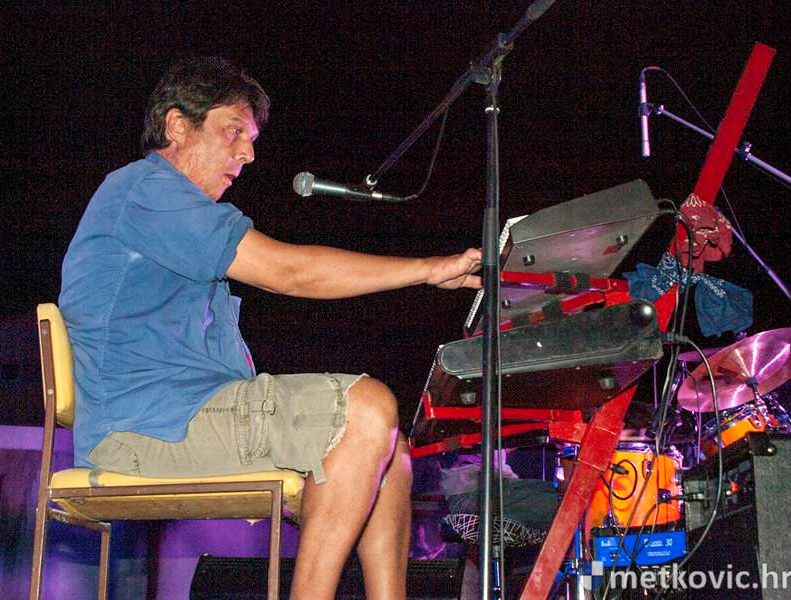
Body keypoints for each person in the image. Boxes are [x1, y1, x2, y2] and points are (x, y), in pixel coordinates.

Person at [59, 55, 481, 600]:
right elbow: (290, 272)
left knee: (390, 453)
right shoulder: (145, 191)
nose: (248, 153)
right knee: (366, 408)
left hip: (179, 416)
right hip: (141, 428)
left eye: (252, 139)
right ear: (176, 126)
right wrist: (427, 269)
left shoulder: (172, 213)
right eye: (233, 131)